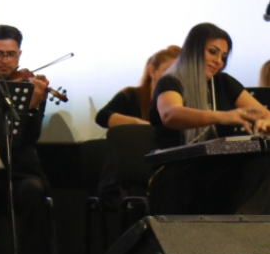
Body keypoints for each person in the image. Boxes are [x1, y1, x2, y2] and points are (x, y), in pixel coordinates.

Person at [149, 22, 270, 215]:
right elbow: (170, 114)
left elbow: (263, 114)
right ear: (193, 50)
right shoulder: (170, 82)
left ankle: (247, 226)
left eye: (223, 57)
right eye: (213, 52)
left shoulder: (224, 82)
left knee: (263, 161)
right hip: (177, 174)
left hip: (218, 169)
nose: (218, 61)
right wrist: (222, 116)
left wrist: (265, 121)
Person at [0, 24, 50, 254]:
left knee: (32, 191)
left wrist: (32, 108)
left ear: (19, 55)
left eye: (10, 54)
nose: (4, 60)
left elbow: (30, 138)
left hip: (21, 169)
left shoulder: (31, 87)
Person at [96, 46, 181, 129]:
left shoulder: (183, 99)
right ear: (152, 72)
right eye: (170, 70)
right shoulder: (131, 95)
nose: (177, 77)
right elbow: (102, 117)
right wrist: (138, 124)